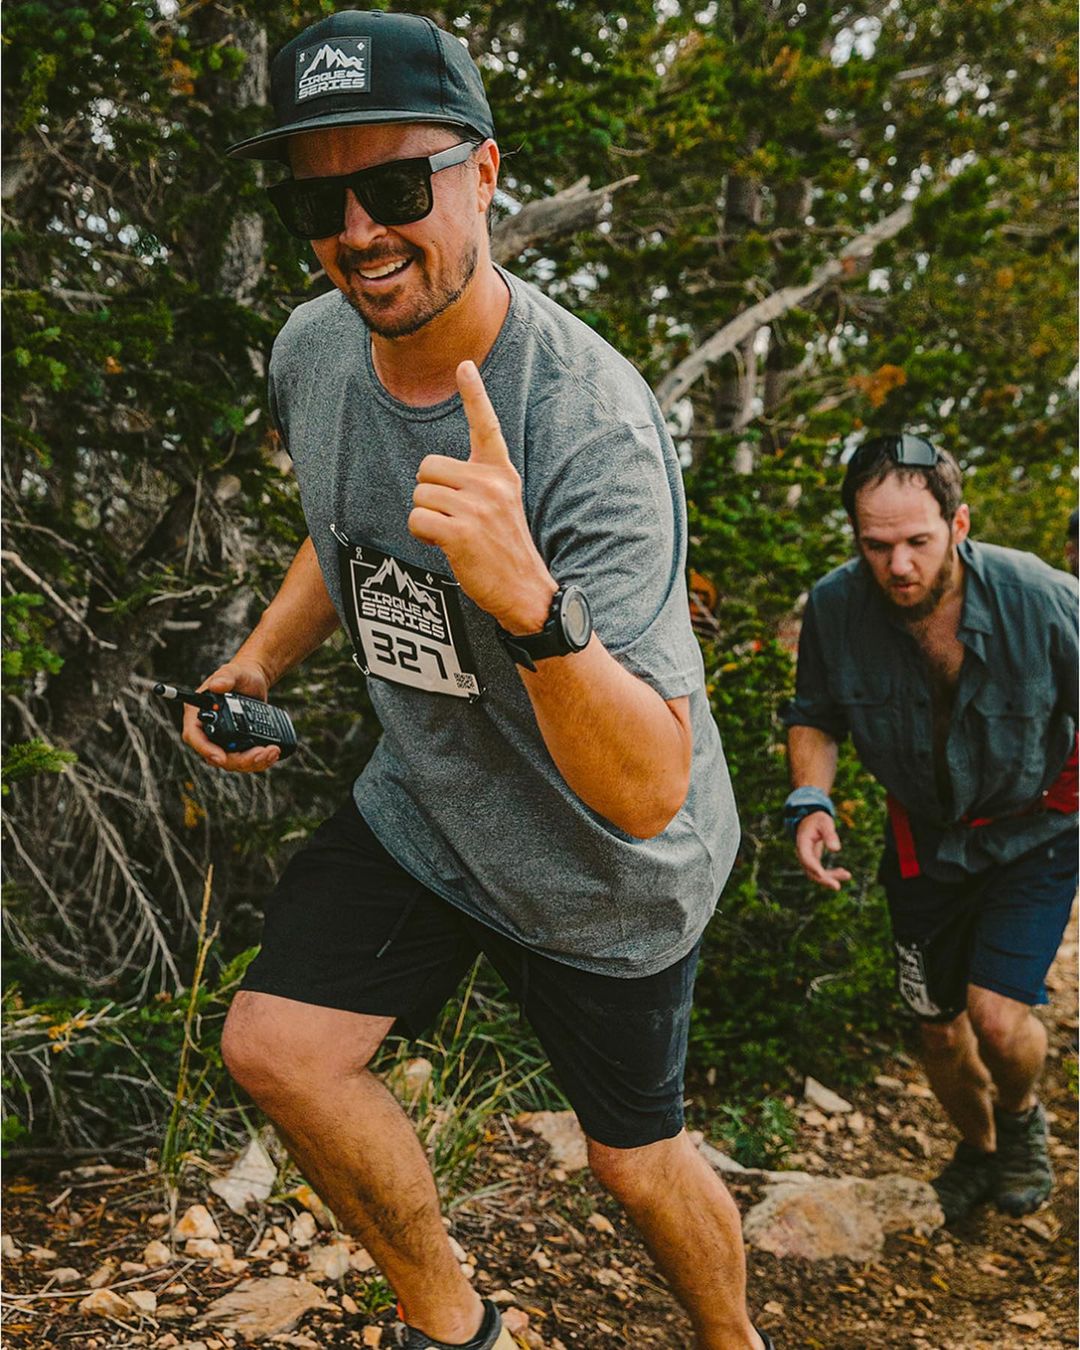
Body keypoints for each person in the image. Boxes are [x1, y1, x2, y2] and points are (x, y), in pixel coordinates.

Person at [185, 12, 769, 1349]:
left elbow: (645, 786)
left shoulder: (590, 429)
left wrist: (532, 603)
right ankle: (453, 1322)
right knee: (279, 1047)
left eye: (395, 186)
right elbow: (347, 527)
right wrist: (261, 654)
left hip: (606, 870)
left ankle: (737, 1340)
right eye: (319, 199)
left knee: (635, 1160)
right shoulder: (316, 345)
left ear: (484, 173)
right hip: (436, 800)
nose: (360, 232)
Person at [783, 432, 1078, 1225]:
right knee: (938, 1032)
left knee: (996, 1016)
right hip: (926, 839)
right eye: (876, 545)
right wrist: (811, 801)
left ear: (959, 523)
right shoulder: (838, 608)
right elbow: (815, 715)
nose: (899, 566)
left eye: (917, 541)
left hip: (1035, 829)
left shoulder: (1042, 599)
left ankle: (1019, 1123)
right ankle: (980, 1151)